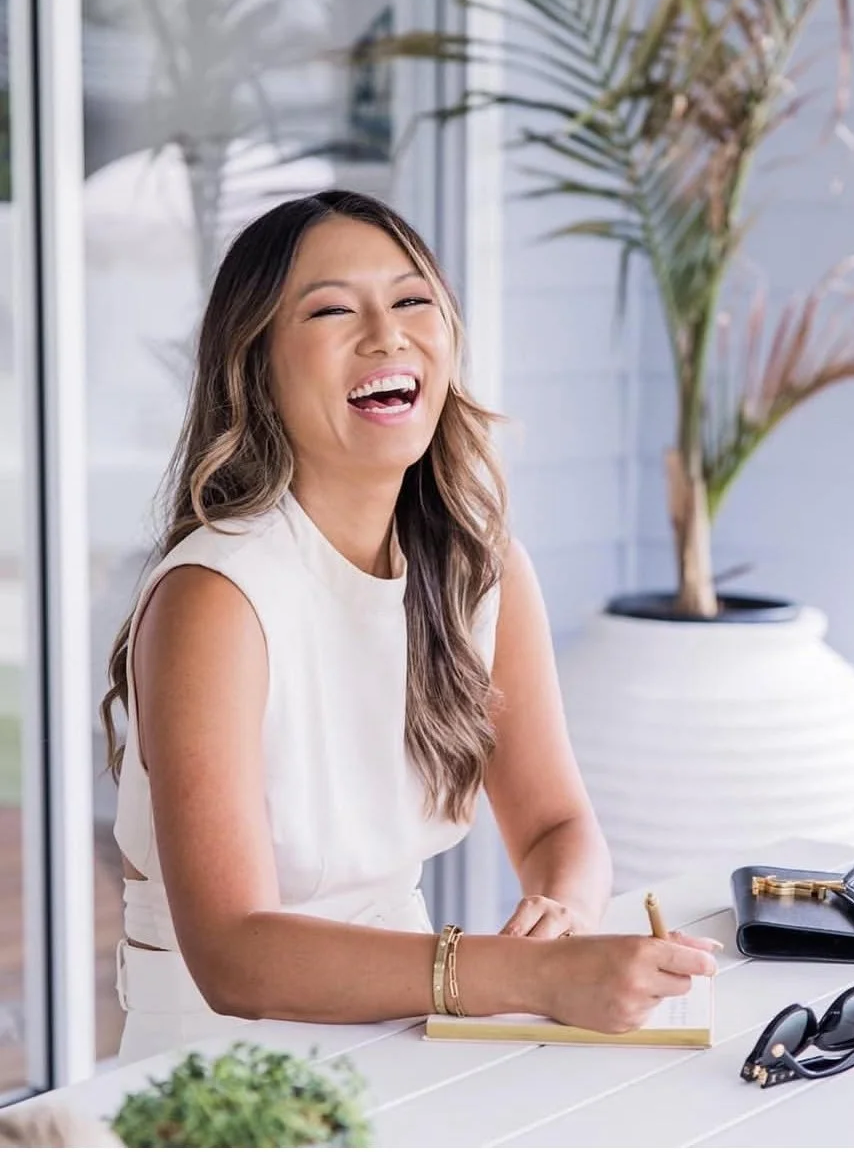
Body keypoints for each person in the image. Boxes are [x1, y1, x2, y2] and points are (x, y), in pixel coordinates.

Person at [100, 189, 719, 1063]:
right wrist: (530, 976)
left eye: (412, 300)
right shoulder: (216, 594)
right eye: (331, 310)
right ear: (255, 366)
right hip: (221, 1076)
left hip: (410, 1045)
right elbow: (233, 955)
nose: (386, 335)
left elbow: (556, 826)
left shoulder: (480, 568)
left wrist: (563, 917)